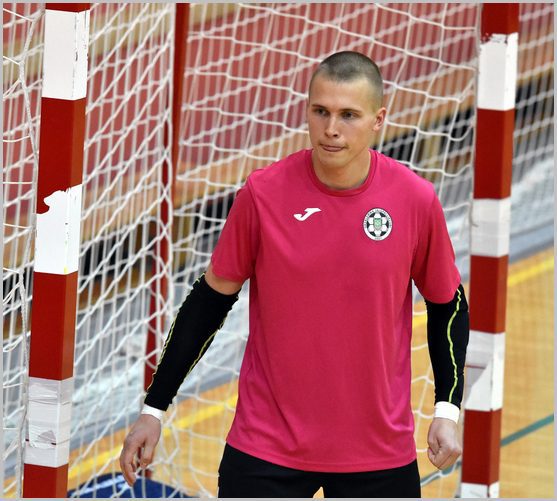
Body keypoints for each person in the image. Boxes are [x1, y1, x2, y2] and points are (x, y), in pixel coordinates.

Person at [120, 51, 469, 498]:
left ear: (379, 119)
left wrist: (447, 409)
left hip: (378, 451)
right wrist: (154, 408)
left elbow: (448, 305)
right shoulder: (263, 194)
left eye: (348, 115)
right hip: (266, 446)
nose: (331, 128)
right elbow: (208, 302)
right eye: (320, 111)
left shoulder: (415, 200)